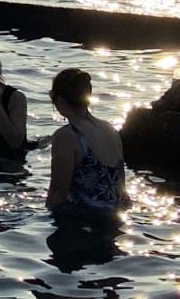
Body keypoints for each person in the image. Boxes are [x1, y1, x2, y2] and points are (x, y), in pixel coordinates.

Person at [46, 68, 130, 214]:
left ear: (59, 99)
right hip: (118, 216)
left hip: (87, 218)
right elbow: (121, 186)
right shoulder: (110, 128)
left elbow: (58, 192)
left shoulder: (66, 136)